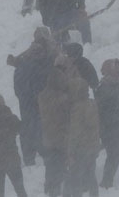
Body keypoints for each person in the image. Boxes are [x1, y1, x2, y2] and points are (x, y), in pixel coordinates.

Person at [5, 27, 55, 166]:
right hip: (36, 102)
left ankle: (29, 156)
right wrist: (36, 95)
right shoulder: (39, 67)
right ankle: (42, 152)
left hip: (26, 102)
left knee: (28, 128)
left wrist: (25, 95)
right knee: (38, 127)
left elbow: (18, 88)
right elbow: (41, 84)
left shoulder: (23, 66)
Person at [38, 66, 70, 197]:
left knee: (51, 166)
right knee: (62, 168)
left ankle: (51, 189)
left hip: (48, 137)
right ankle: (60, 191)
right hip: (61, 137)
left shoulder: (41, 96)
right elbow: (67, 116)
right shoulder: (63, 98)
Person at [65, 78, 100, 197]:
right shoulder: (93, 104)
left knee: (75, 179)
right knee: (91, 175)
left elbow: (75, 132)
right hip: (93, 146)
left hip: (80, 148)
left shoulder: (77, 108)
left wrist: (70, 151)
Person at [96, 60, 119, 189]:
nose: (118, 74)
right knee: (113, 155)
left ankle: (106, 181)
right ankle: (106, 182)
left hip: (115, 126)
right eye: (115, 71)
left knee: (113, 155)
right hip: (108, 128)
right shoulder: (103, 89)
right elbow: (100, 111)